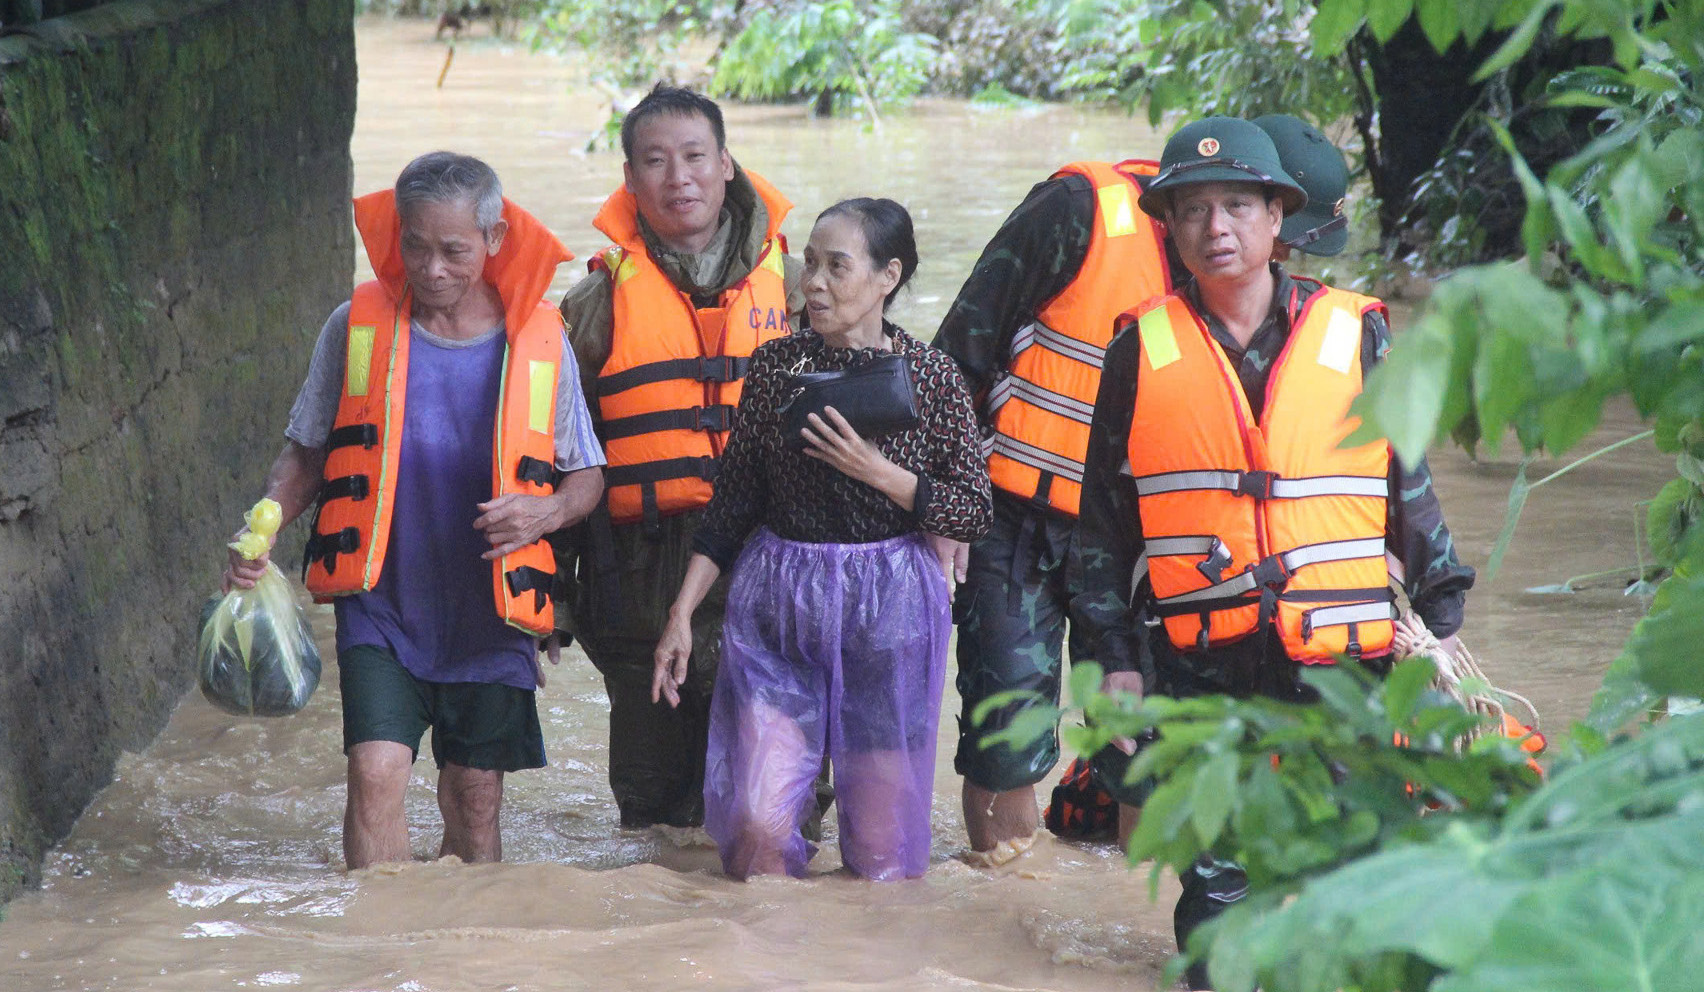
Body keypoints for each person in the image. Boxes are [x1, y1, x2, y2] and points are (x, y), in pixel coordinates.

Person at [1070, 116, 1474, 989]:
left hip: (1344, 657)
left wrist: (1441, 620)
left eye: (1238, 206)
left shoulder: (1354, 333)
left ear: (1279, 218)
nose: (1217, 228)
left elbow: (1407, 479)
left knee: (1350, 872)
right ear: (1169, 229)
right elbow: (1104, 521)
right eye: (1194, 210)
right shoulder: (1139, 348)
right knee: (1216, 906)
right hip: (1199, 659)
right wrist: (1113, 656)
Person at [222, 152, 606, 869]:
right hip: (382, 599)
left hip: (488, 604)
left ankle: (460, 957)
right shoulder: (355, 326)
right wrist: (260, 530)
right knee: (374, 774)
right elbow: (306, 453)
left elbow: (587, 476)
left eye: (454, 251)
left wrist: (543, 514)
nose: (432, 269)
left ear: (493, 241)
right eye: (416, 247)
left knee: (475, 796)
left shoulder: (540, 341)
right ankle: (381, 955)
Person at [653, 198, 992, 881]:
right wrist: (681, 614)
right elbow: (734, 502)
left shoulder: (932, 378)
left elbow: (973, 510)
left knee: (880, 847)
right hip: (780, 600)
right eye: (809, 263)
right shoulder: (776, 369)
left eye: (837, 266)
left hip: (888, 608)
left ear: (887, 276)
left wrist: (881, 473)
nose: (814, 283)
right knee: (758, 823)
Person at [556, 85, 807, 831]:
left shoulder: (800, 290)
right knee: (657, 811)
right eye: (656, 162)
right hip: (637, 575)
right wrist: (551, 603)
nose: (679, 177)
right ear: (629, 180)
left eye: (696, 156)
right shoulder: (595, 305)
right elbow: (563, 458)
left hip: (770, 563)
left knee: (782, 803)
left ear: (727, 164)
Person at [932, 151, 1174, 861]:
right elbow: (953, 359)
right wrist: (949, 503)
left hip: (1142, 547)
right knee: (1006, 731)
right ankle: (1006, 924)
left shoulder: (1263, 298)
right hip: (1013, 516)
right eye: (1203, 207)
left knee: (1146, 750)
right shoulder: (1075, 210)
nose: (1221, 229)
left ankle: (1125, 922)